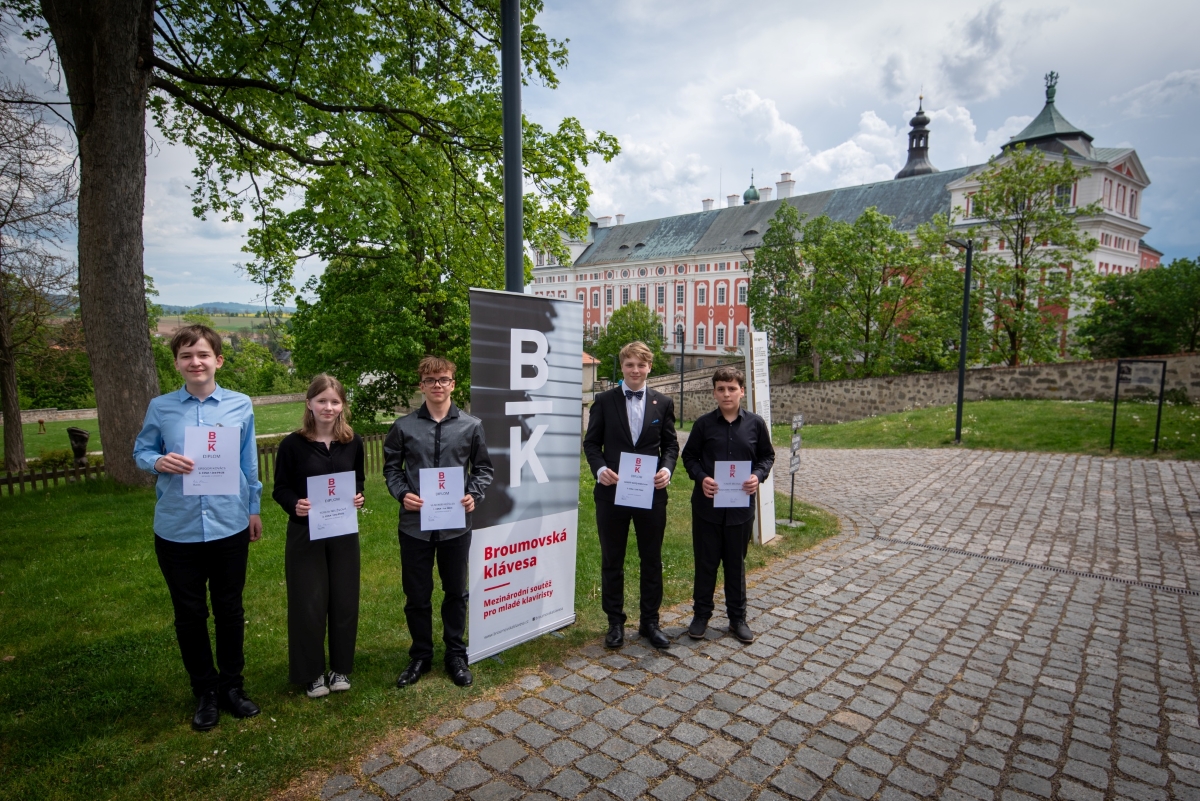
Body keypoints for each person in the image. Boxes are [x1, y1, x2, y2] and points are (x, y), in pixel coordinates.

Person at [133, 324, 263, 731]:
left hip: (228, 525)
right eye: (187, 356)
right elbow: (141, 449)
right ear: (177, 363)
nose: (195, 362)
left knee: (229, 609)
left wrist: (253, 507)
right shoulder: (161, 407)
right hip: (178, 529)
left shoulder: (240, 405)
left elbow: (248, 462)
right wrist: (157, 461)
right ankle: (204, 690)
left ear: (218, 360)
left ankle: (232, 687)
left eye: (203, 354)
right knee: (189, 614)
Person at [384, 356, 493, 688]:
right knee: (417, 594)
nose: (437, 386)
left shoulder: (471, 425)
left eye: (443, 379)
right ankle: (420, 655)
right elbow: (391, 468)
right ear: (421, 385)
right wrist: (403, 493)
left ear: (453, 384)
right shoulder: (403, 427)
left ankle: (455, 653)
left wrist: (474, 493)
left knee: (455, 592)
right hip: (414, 526)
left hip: (455, 525)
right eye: (430, 381)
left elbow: (484, 468)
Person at [271, 374, 366, 699]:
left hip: (342, 533)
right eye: (322, 400)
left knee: (344, 599)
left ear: (343, 406)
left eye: (335, 401)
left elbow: (359, 482)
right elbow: (280, 488)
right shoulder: (291, 445)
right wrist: (293, 504)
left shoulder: (353, 442)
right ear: (309, 403)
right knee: (307, 603)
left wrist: (358, 497)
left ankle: (340, 668)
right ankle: (311, 673)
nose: (328, 407)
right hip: (305, 533)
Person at [583, 341, 678, 650]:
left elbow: (671, 446)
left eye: (641, 364)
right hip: (612, 493)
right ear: (622, 367)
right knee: (613, 559)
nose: (635, 370)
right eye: (629, 365)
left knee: (651, 559)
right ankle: (614, 622)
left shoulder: (662, 403)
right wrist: (600, 471)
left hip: (651, 494)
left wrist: (666, 469)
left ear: (649, 367)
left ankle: (650, 621)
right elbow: (591, 444)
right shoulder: (604, 400)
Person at [680, 365, 774, 644]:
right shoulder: (703, 425)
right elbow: (689, 458)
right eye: (721, 389)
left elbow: (767, 457)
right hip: (707, 509)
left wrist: (758, 476)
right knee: (706, 564)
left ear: (742, 391)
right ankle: (701, 616)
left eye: (732, 388)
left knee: (736, 565)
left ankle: (737, 618)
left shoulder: (755, 424)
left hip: (740, 510)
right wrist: (701, 478)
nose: (726, 393)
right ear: (714, 393)